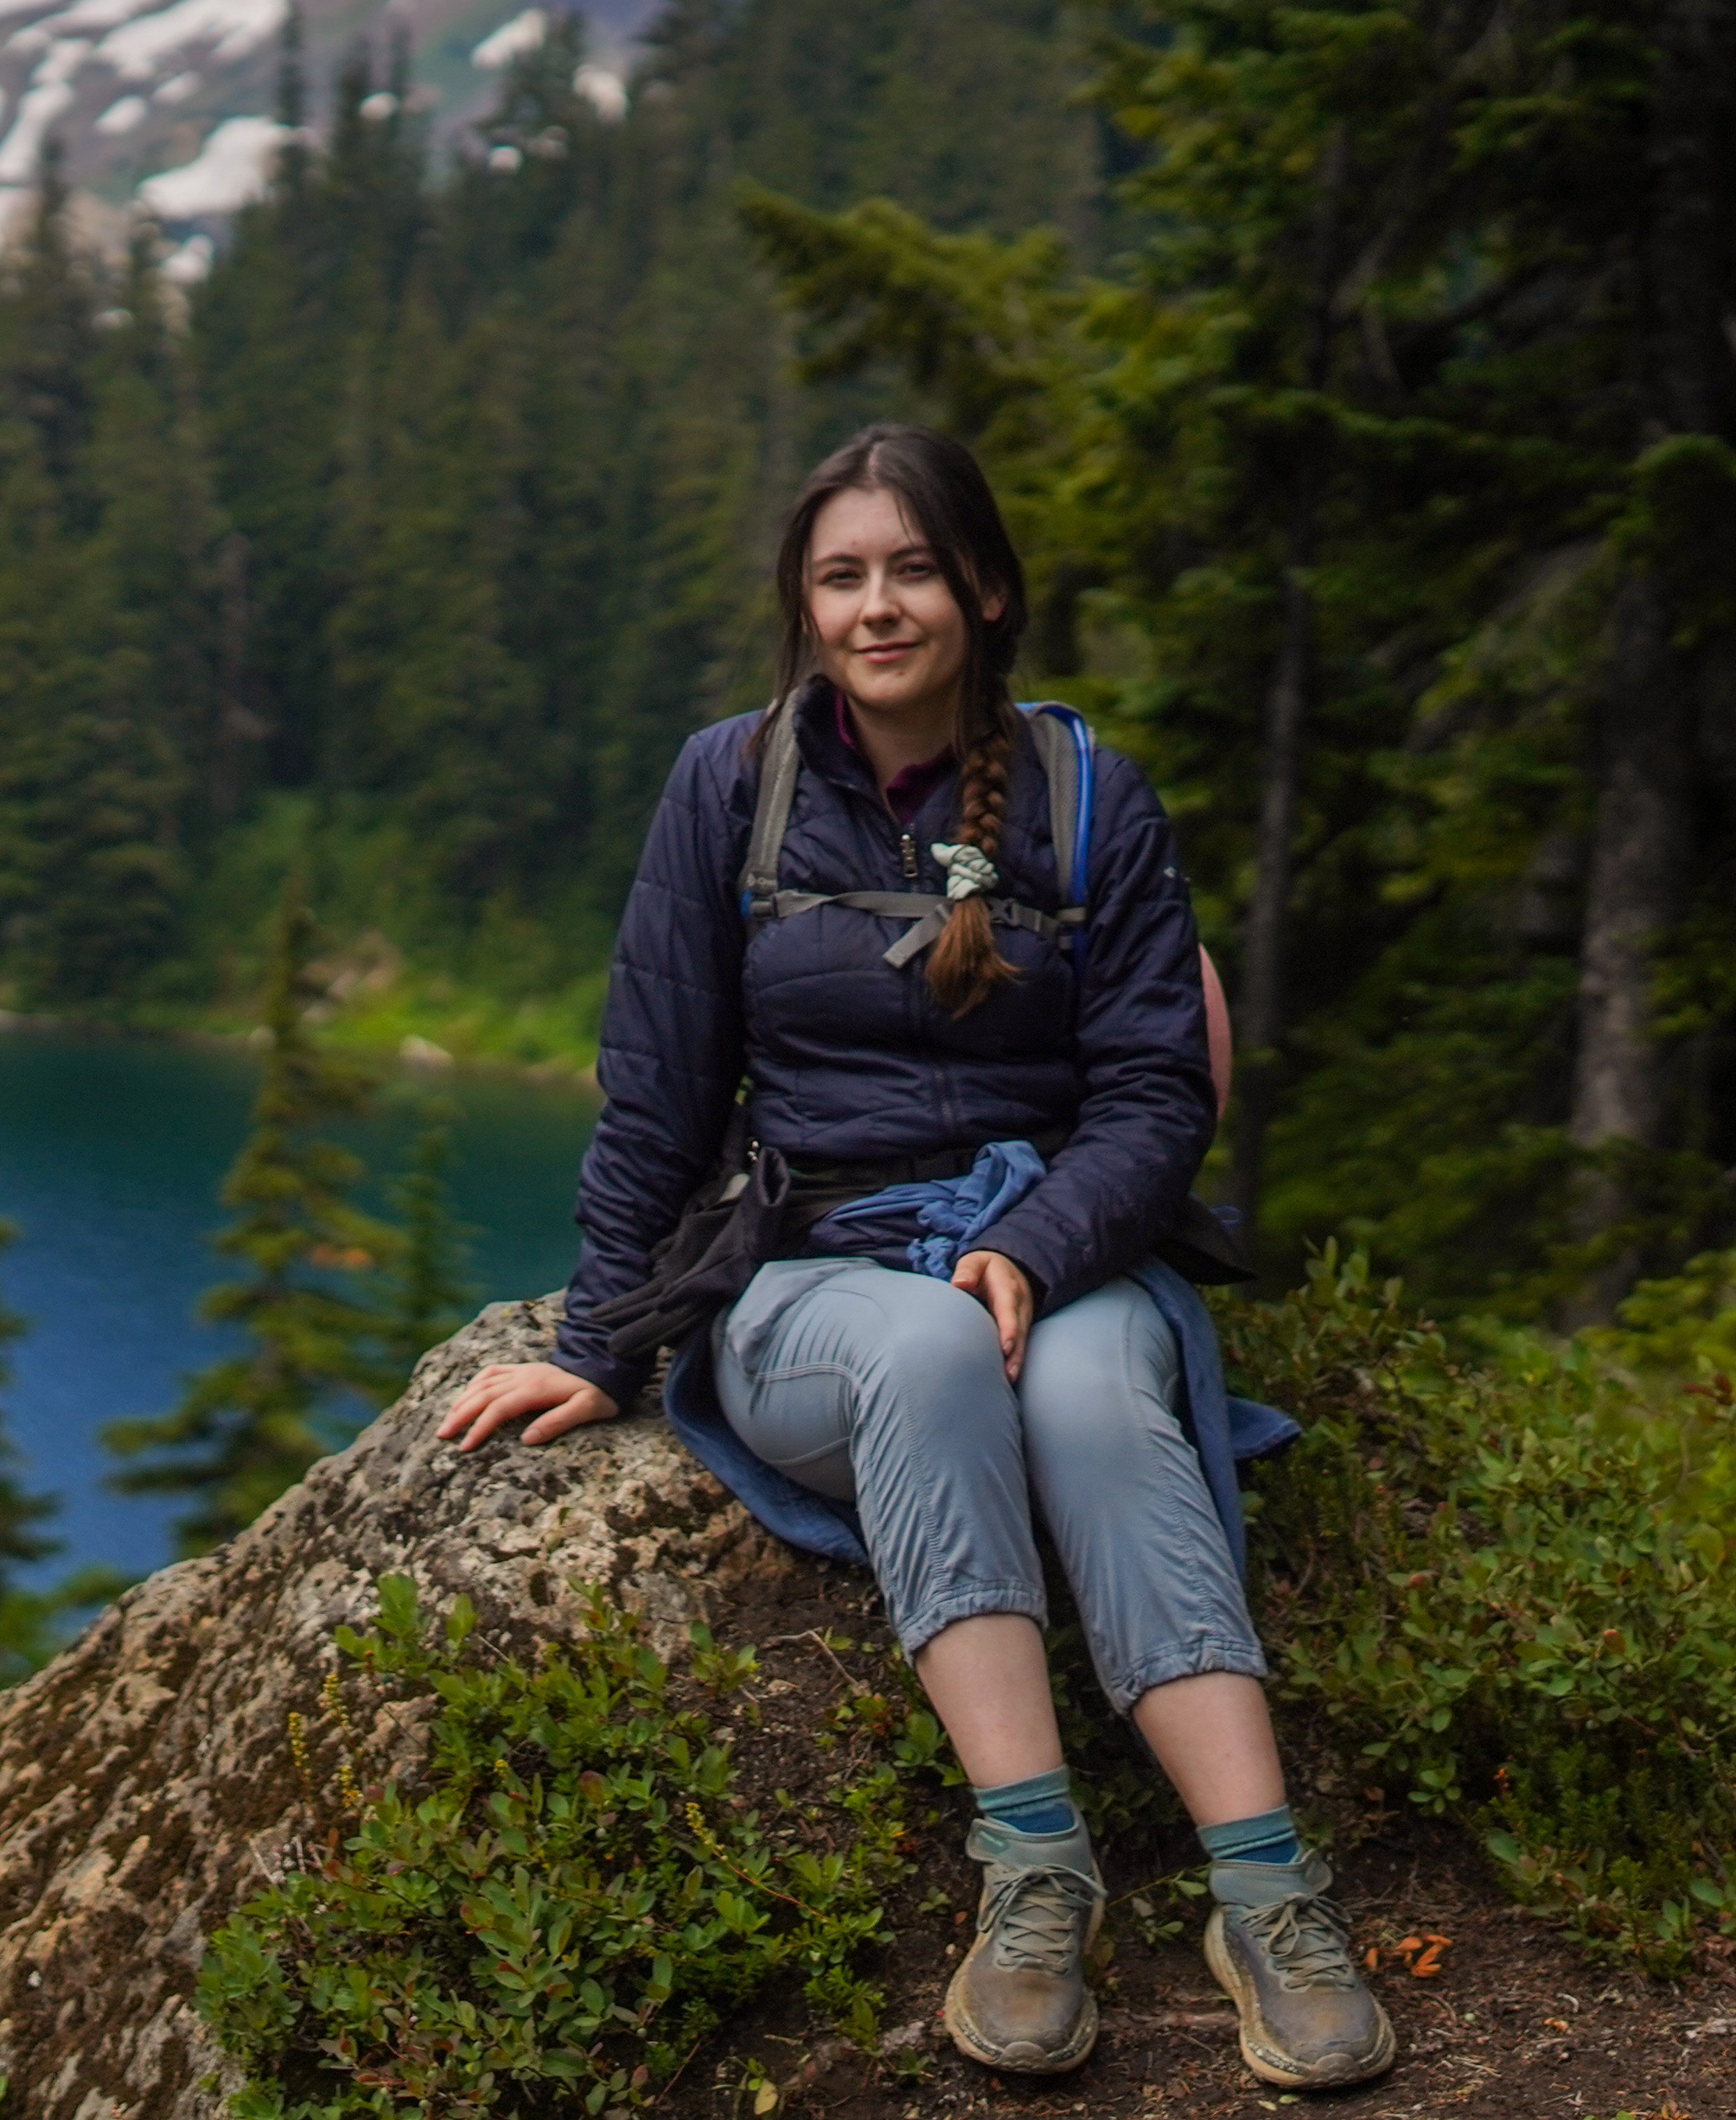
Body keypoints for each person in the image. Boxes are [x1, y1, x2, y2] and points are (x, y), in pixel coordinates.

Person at [439, 423, 1393, 2089]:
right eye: (840, 575)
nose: (877, 606)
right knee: (930, 1350)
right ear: (802, 608)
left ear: (986, 587)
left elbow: (1161, 1090)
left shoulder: (1092, 794)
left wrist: (1037, 1241)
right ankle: (1036, 1871)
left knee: (1099, 1395)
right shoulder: (728, 785)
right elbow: (659, 1084)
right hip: (818, 1281)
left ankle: (1268, 1893)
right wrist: (598, 1341)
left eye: (911, 569)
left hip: (1068, 1251)